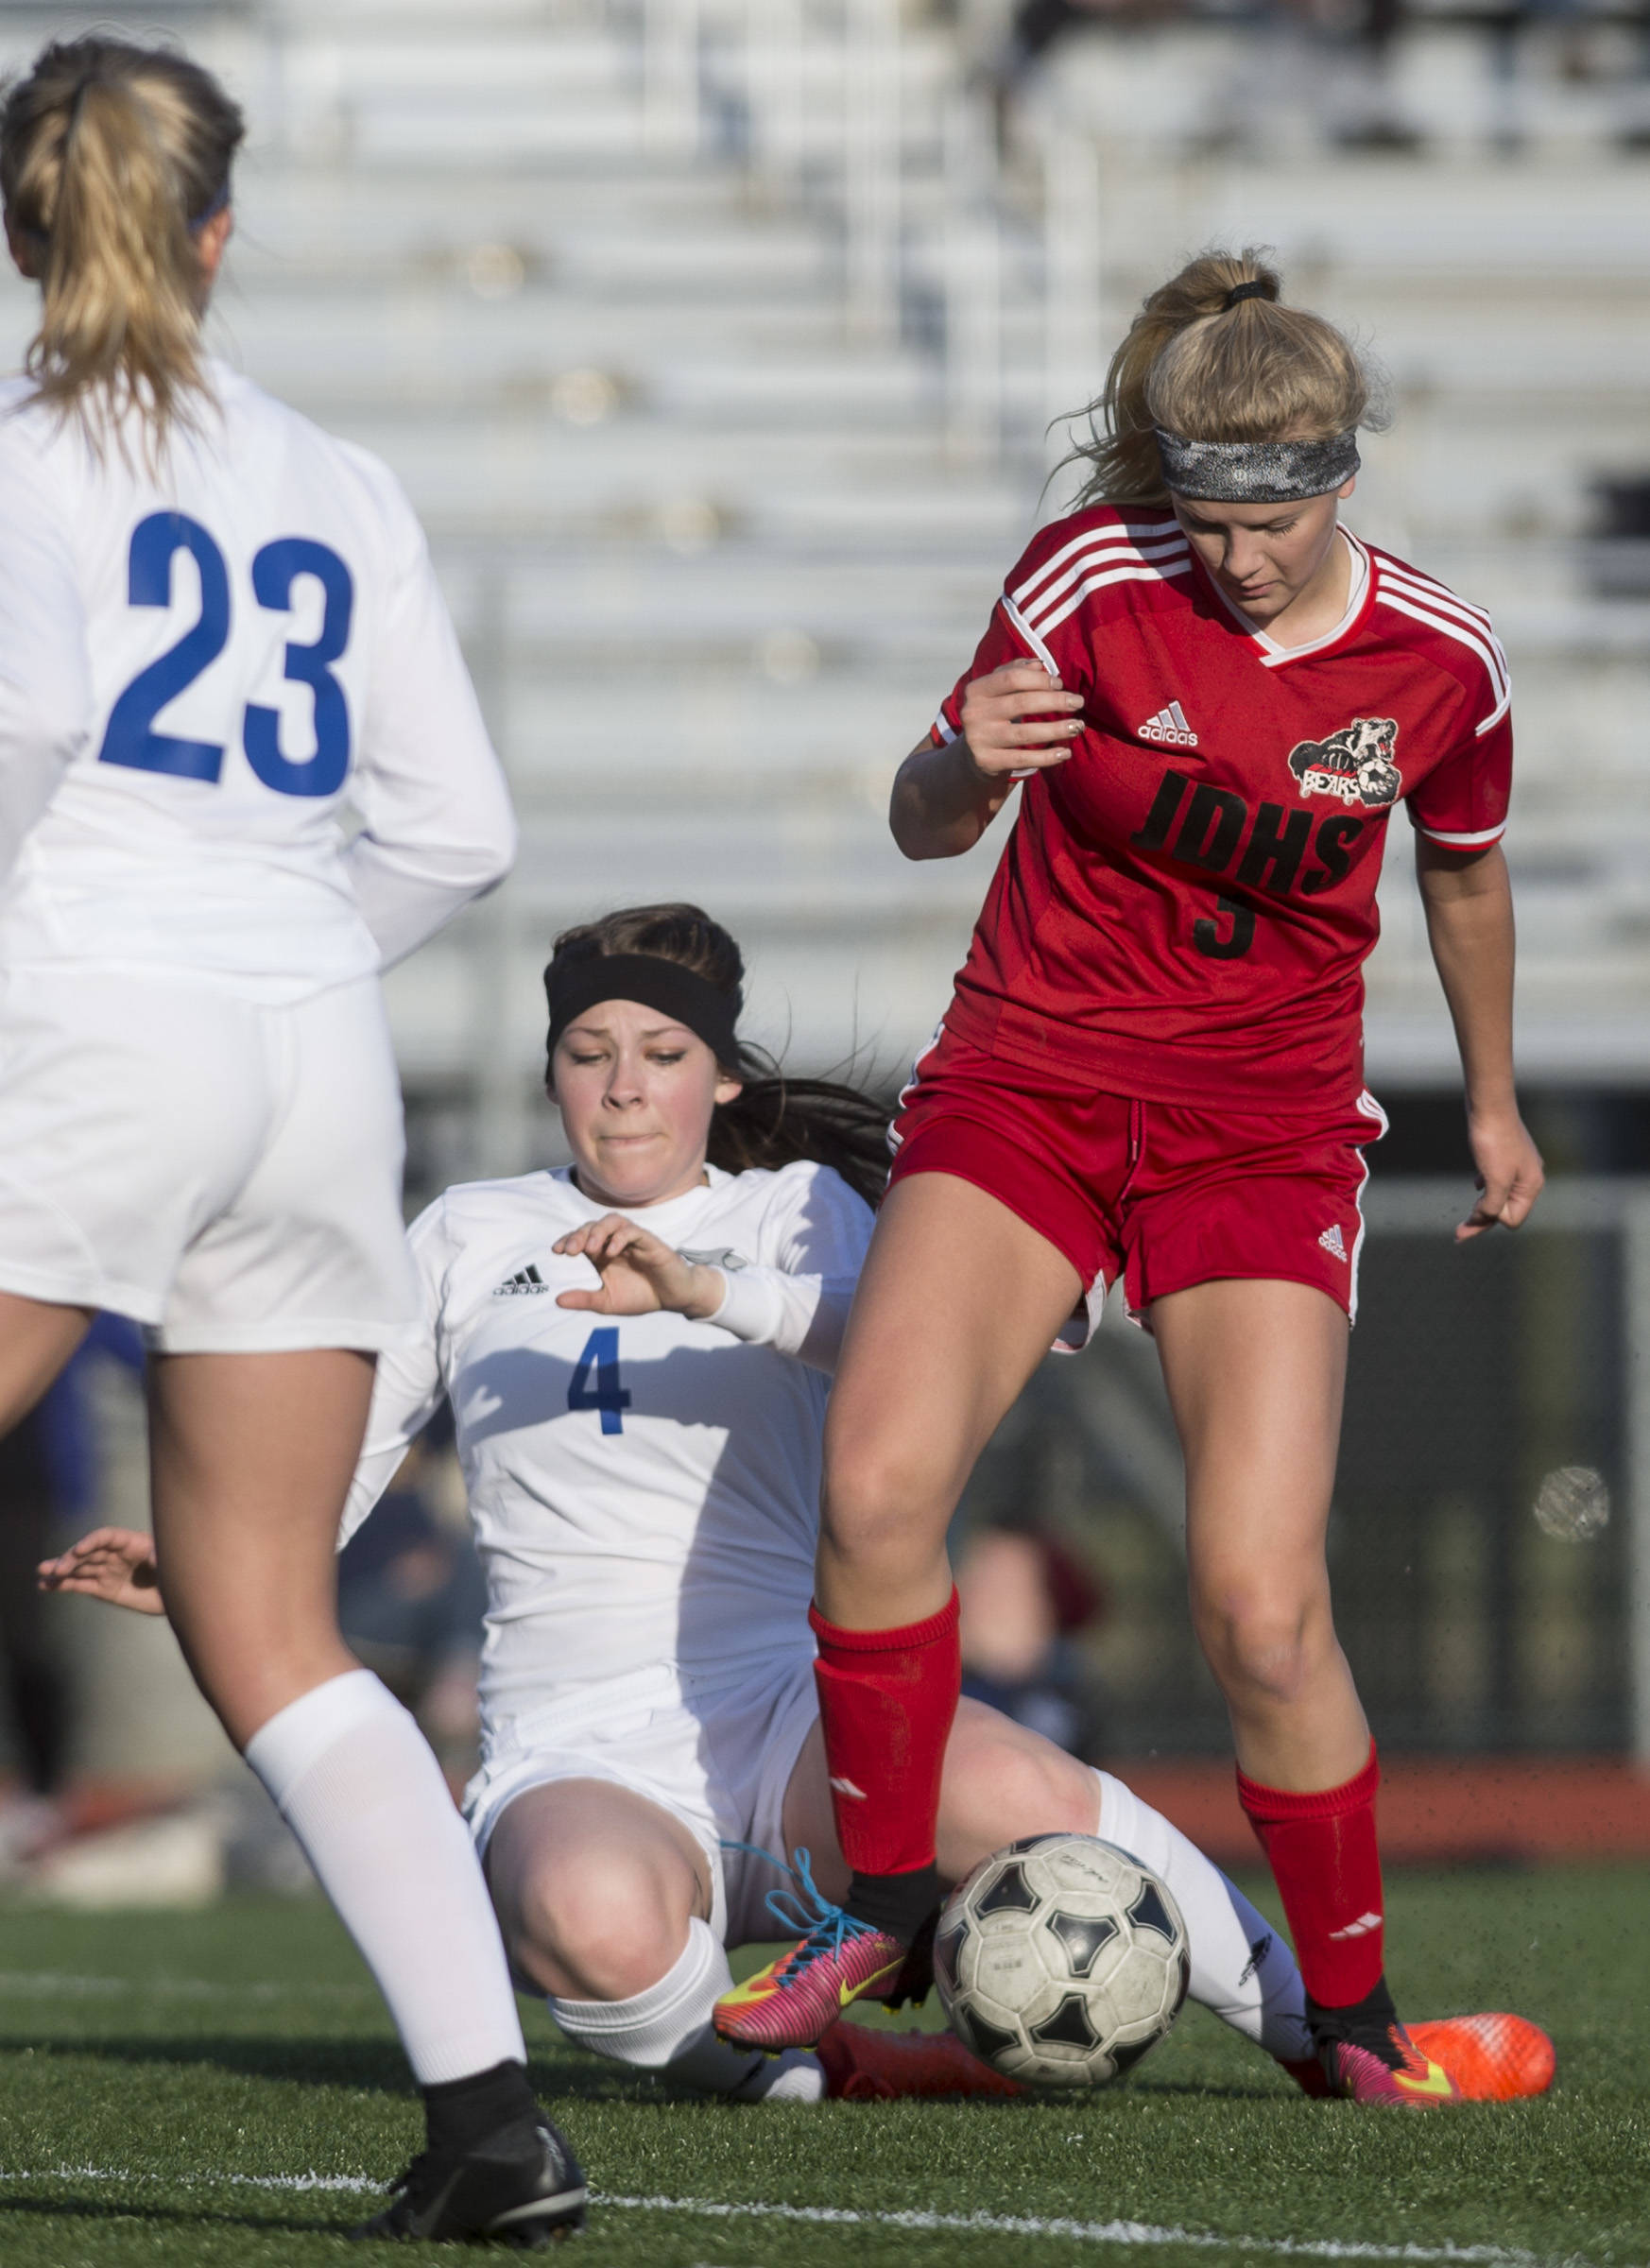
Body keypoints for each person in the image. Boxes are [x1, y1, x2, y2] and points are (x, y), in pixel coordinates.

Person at [45, 904, 1555, 2114]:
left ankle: (1340, 2042)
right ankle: (823, 2072)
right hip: (579, 1745)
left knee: (1031, 1798)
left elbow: (901, 1351)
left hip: (796, 1722)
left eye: (658, 1050)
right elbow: (354, 1448)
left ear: (722, 1078)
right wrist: (214, 1567)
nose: (623, 1082)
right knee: (588, 1921)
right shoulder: (465, 1233)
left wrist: (701, 1291)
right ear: (553, 1071)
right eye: (587, 1051)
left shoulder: (800, 1215)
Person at [716, 249, 1545, 2110]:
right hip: (1030, 1083)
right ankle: (881, 1899)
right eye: (1203, 514)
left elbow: (1466, 878)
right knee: (878, 1481)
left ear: (1344, 476)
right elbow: (932, 821)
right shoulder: (1086, 577)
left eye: (1274, 516)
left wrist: (1492, 1100)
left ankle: (1350, 2020)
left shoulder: (1442, 659)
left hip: (1257, 1135)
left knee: (1260, 1604)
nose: (1237, 556)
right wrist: (952, 761)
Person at [0, 35, 583, 2242]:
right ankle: (491, 2131)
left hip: (92, 1011)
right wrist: (267, 959)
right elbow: (463, 823)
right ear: (219, 230)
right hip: (309, 1039)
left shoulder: (21, 459)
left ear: (18, 230)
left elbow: (35, 712)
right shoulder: (332, 472)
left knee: (251, 1614)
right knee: (276, 1626)